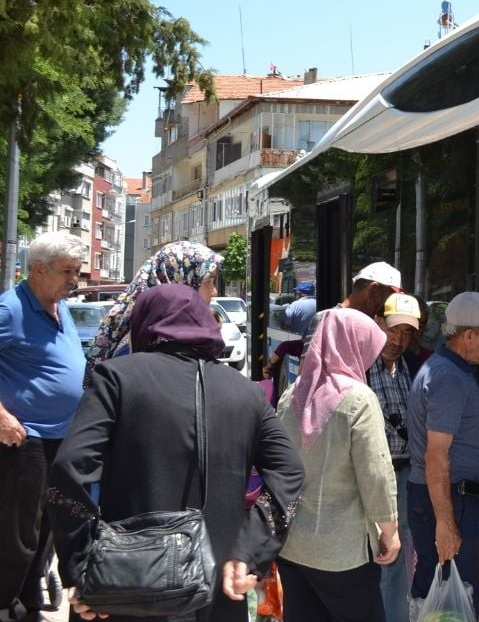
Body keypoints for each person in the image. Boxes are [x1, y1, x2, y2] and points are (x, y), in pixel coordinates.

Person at [47, 284, 304, 622]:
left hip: (127, 583)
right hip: (220, 581)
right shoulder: (246, 392)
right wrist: (250, 552)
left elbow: (70, 468)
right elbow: (290, 473)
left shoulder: (117, 378)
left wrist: (79, 566)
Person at [276, 307, 400, 622]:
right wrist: (390, 531)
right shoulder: (359, 399)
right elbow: (375, 475)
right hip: (343, 553)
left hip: (293, 546)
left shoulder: (292, 395)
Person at [406, 292, 479, 610]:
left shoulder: (446, 369)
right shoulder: (449, 378)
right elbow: (436, 456)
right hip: (448, 499)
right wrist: (446, 524)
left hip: (450, 498)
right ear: (469, 335)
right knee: (451, 599)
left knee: (442, 594)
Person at [0, 231, 86, 622]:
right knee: (19, 533)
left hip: (61, 437)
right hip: (24, 439)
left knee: (51, 527)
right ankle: (5, 604)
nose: (75, 281)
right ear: (38, 269)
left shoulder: (58, 305)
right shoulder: (10, 309)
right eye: (67, 271)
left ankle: (29, 599)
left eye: (78, 272)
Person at [84, 240, 223, 386]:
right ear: (180, 281)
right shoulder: (137, 345)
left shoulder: (163, 338)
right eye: (208, 282)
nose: (214, 292)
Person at [367, 294, 420, 622]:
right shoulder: (359, 367)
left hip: (404, 475)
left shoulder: (408, 368)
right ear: (377, 325)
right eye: (393, 330)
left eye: (406, 334)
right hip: (373, 478)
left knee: (397, 556)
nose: (398, 340)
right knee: (374, 556)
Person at [299, 261, 401, 366]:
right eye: (387, 299)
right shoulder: (325, 320)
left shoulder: (371, 328)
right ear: (373, 291)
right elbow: (307, 372)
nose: (386, 308)